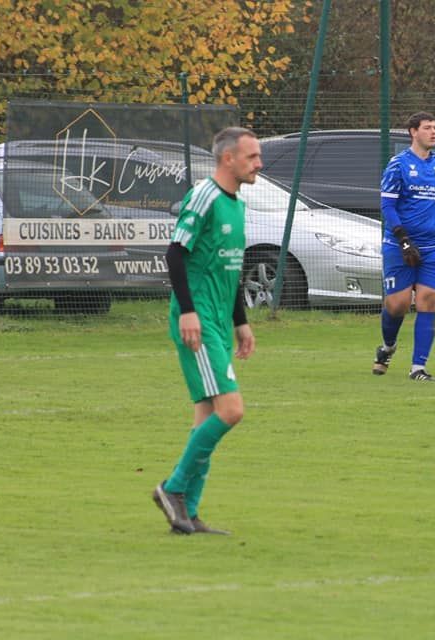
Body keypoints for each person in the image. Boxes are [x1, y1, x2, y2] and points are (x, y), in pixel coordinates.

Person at [152, 127, 260, 535]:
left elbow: (229, 269)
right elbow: (175, 253)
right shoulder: (205, 196)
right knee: (231, 411)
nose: (259, 164)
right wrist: (188, 312)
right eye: (251, 157)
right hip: (197, 321)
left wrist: (241, 322)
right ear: (227, 159)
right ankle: (173, 488)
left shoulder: (237, 205)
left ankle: (188, 515)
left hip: (217, 320)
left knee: (207, 417)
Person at [373, 112, 435, 382]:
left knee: (428, 299)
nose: (433, 132)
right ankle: (387, 347)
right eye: (427, 128)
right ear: (413, 132)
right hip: (398, 244)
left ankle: (418, 368)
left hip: (434, 246)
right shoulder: (398, 165)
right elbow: (388, 206)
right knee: (398, 305)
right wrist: (403, 239)